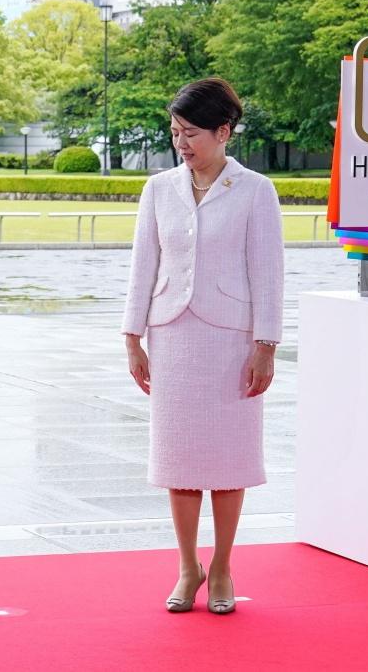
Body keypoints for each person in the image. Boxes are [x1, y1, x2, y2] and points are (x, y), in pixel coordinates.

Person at [121, 77, 284, 615]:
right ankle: (188, 566)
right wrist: (132, 337)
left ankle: (223, 567)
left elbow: (268, 274)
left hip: (231, 340)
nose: (181, 143)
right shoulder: (158, 189)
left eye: (191, 133)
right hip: (172, 335)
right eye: (175, 132)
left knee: (229, 458)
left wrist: (266, 345)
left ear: (224, 132)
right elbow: (143, 266)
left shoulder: (256, 190)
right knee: (180, 457)